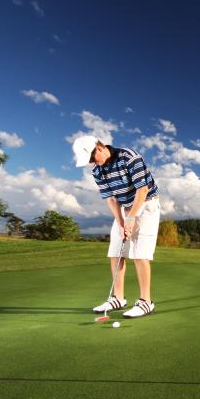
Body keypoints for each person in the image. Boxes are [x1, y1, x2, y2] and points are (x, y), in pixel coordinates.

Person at [72, 135, 161, 318]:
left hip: (146, 204)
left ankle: (146, 302)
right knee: (115, 253)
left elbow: (142, 190)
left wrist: (131, 218)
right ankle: (118, 298)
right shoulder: (97, 170)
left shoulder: (129, 157)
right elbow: (111, 199)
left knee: (140, 254)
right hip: (123, 207)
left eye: (91, 158)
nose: (91, 163)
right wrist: (121, 223)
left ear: (99, 148)